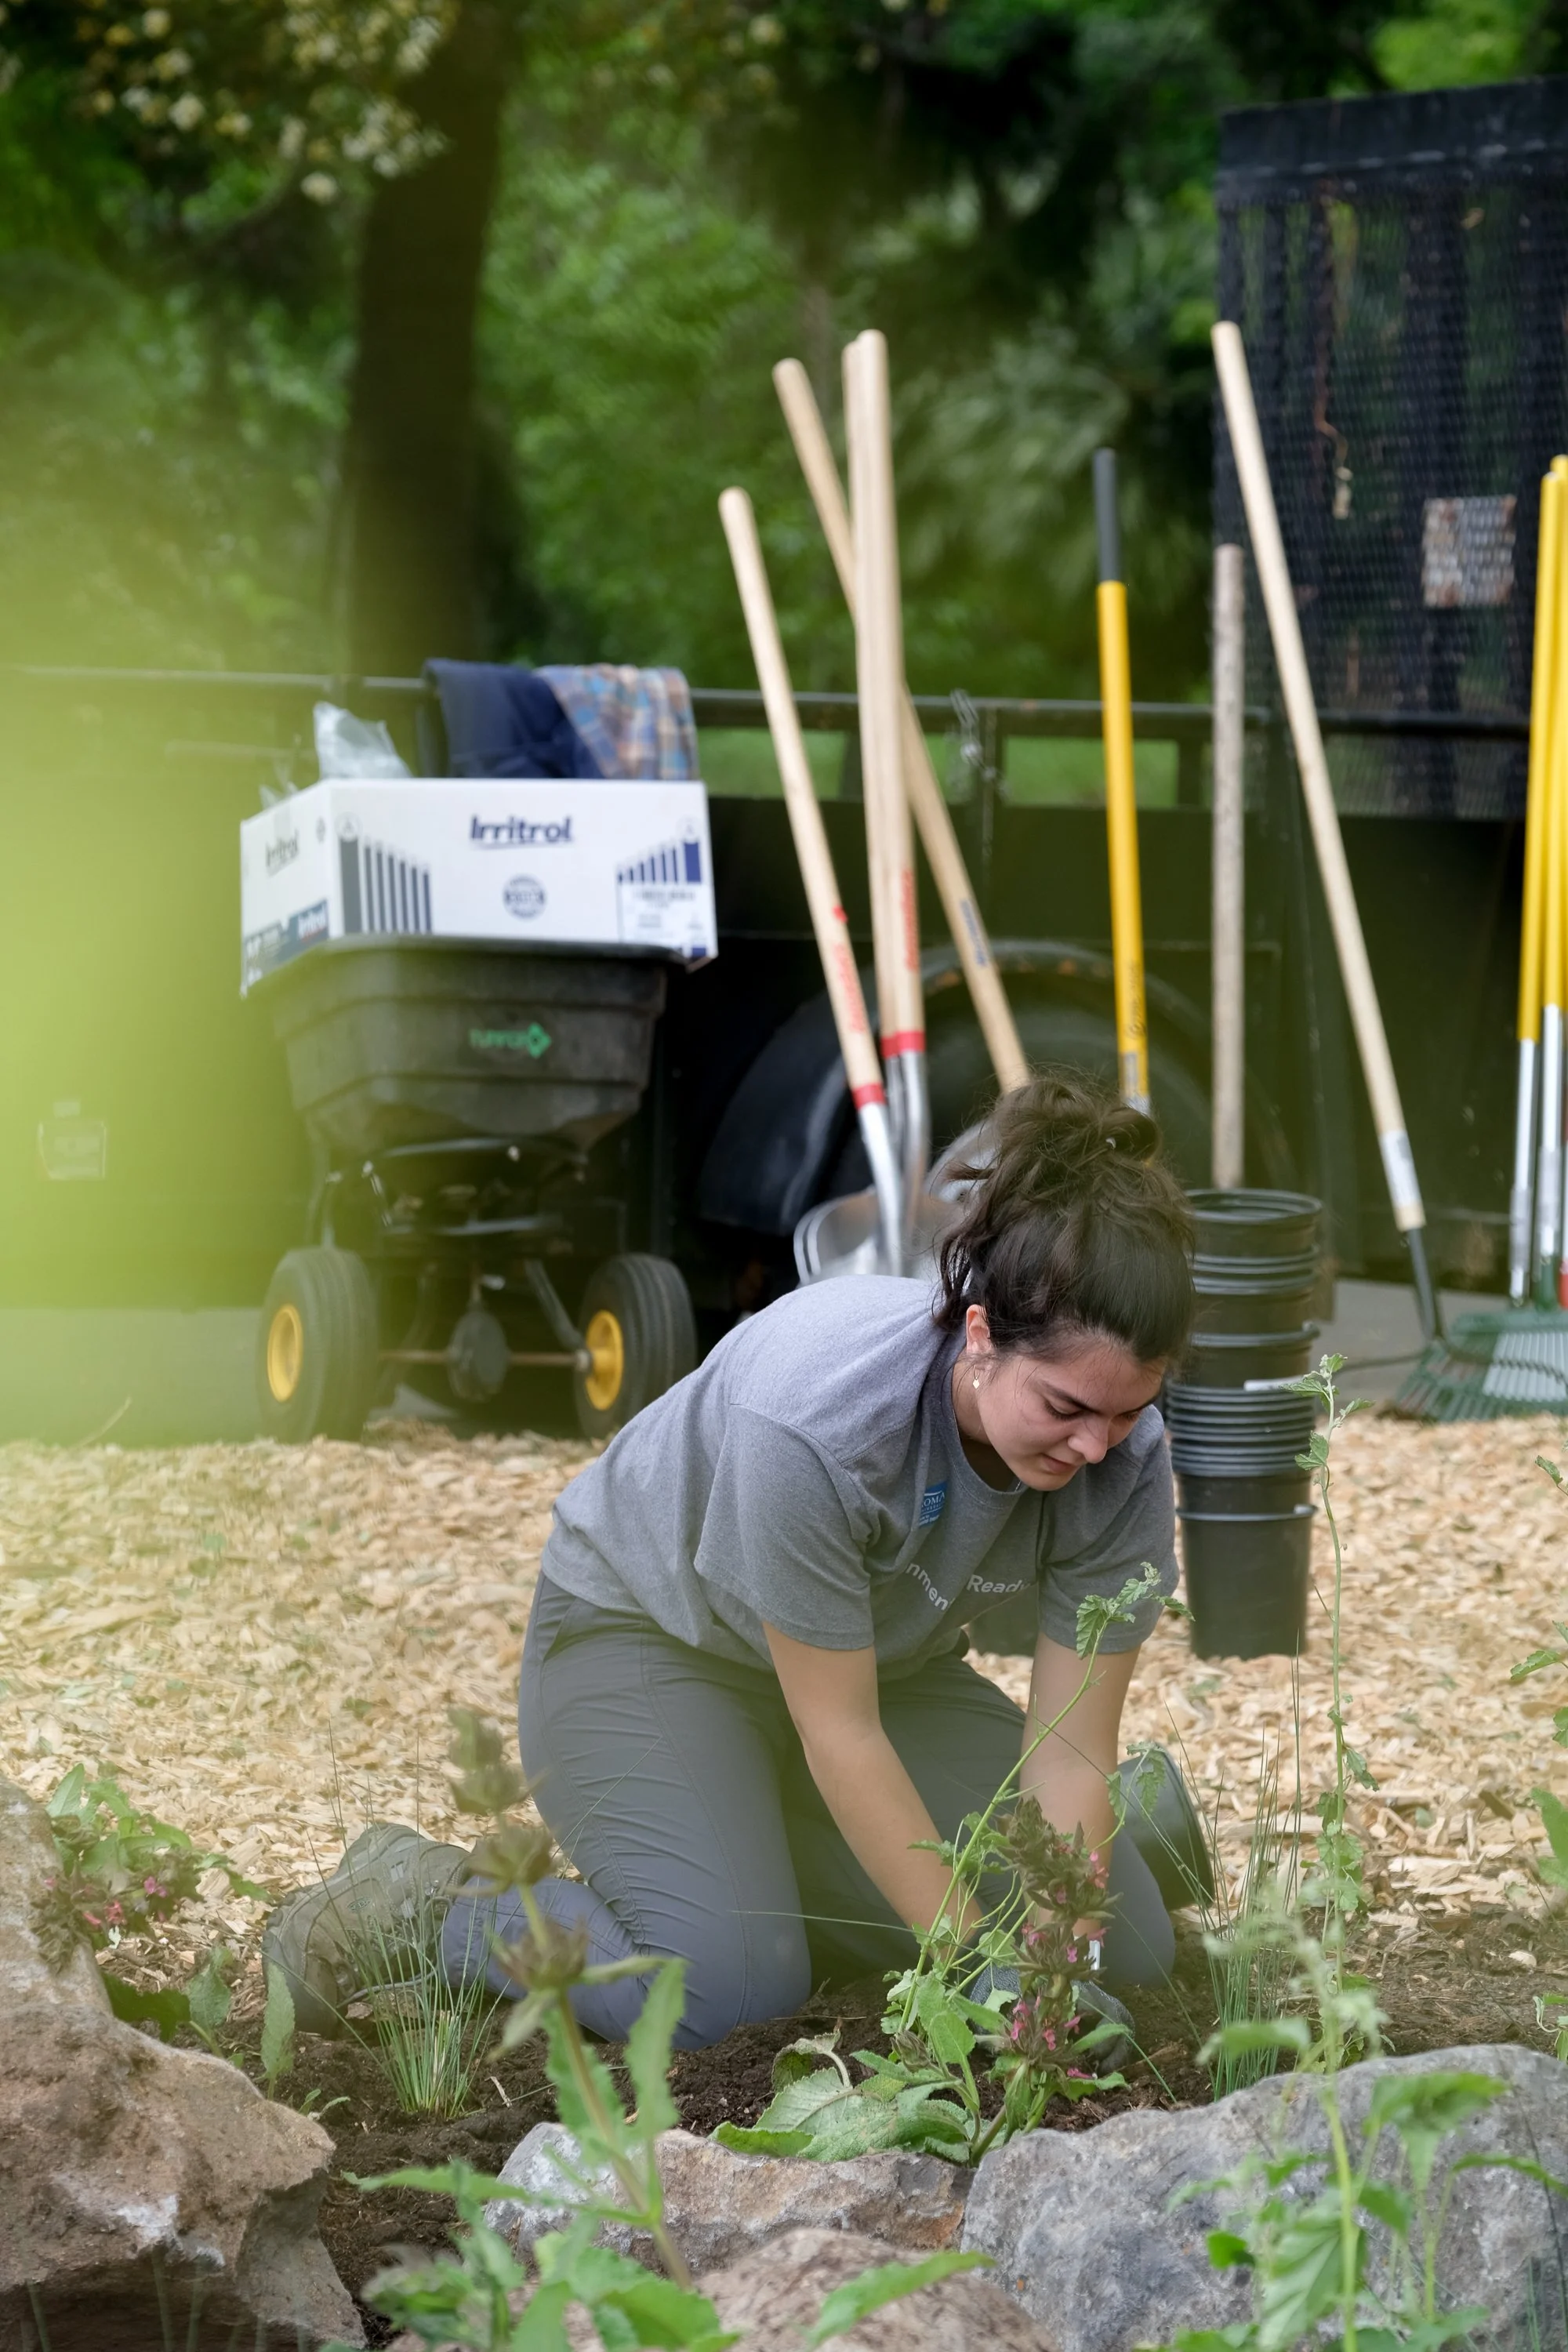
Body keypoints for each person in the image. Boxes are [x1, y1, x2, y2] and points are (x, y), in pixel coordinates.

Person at [265, 1074, 1207, 2050]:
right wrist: (978, 1975)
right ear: (979, 1335)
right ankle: (423, 1905)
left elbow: (1066, 1751)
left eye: (1126, 1411)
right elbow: (838, 1734)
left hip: (881, 1676)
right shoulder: (819, 1422)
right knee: (729, 1990)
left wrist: (1055, 1958)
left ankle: (730, 1859)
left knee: (1126, 1947)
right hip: (646, 1644)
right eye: (1063, 1408)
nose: (1094, 1448)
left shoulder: (1124, 1463)